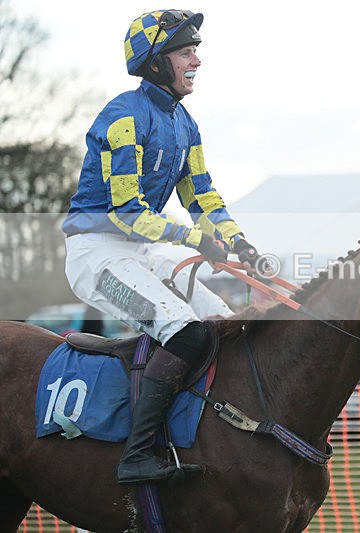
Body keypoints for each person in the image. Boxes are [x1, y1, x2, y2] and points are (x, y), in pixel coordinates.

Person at [61, 9, 260, 485]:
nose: (196, 60)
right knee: (188, 333)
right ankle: (138, 452)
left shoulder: (185, 123)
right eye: (185, 51)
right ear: (154, 63)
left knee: (223, 327)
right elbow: (128, 211)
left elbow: (201, 196)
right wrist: (197, 239)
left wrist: (238, 241)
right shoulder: (122, 116)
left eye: (196, 51)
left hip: (144, 250)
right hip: (97, 252)